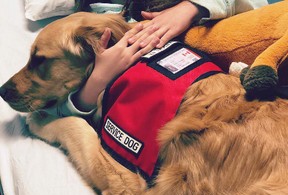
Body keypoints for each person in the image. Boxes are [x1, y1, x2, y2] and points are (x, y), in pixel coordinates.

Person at [44, 0, 268, 117]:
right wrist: (96, 83)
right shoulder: (83, 25)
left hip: (241, 81)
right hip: (164, 112)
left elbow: (261, 20)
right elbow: (52, 109)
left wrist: (193, 7)